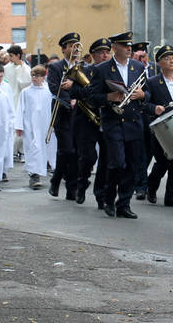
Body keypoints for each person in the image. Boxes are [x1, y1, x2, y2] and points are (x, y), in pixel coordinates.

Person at [89, 31, 148, 219]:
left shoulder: (139, 67)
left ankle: (124, 203)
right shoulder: (102, 69)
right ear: (115, 48)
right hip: (113, 122)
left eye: (130, 46)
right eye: (125, 46)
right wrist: (108, 97)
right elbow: (92, 97)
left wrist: (143, 96)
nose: (129, 49)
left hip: (133, 122)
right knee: (117, 163)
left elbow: (148, 94)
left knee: (131, 165)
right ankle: (108, 198)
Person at [72, 38, 111, 206]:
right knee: (88, 157)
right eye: (101, 53)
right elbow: (73, 91)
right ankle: (81, 185)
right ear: (93, 55)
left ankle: (101, 194)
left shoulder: (112, 71)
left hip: (107, 118)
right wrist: (86, 90)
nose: (104, 55)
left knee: (106, 159)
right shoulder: (84, 70)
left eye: (107, 52)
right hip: (86, 120)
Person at [143, 45, 173, 206]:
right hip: (160, 129)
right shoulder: (152, 82)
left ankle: (172, 197)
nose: (171, 61)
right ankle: (151, 187)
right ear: (159, 62)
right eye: (167, 58)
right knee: (162, 162)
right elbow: (143, 103)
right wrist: (154, 108)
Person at [47, 32, 81, 201]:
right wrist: (70, 100)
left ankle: (61, 183)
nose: (75, 49)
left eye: (77, 46)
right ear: (64, 49)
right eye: (71, 46)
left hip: (79, 115)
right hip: (62, 114)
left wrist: (74, 88)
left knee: (71, 152)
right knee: (68, 150)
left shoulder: (83, 67)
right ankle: (67, 184)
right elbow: (54, 88)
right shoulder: (55, 67)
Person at [15, 65, 52, 189]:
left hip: (44, 124)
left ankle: (42, 171)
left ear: (43, 77)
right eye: (33, 75)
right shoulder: (26, 92)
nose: (35, 78)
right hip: (30, 124)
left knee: (43, 148)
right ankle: (34, 175)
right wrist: (19, 125)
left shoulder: (48, 91)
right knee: (32, 148)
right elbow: (20, 109)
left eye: (38, 76)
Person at [131, 41, 155, 200]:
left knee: (151, 151)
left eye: (144, 55)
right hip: (138, 115)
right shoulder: (132, 69)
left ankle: (141, 180)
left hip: (153, 115)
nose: (142, 58)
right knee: (140, 152)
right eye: (138, 55)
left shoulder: (155, 69)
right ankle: (141, 186)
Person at [4, 45, 32, 162]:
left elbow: (26, 84)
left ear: (18, 56)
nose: (9, 59)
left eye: (11, 56)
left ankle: (21, 151)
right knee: (10, 127)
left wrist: (20, 71)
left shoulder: (26, 69)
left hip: (21, 100)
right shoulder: (6, 68)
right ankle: (11, 152)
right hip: (9, 99)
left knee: (21, 126)